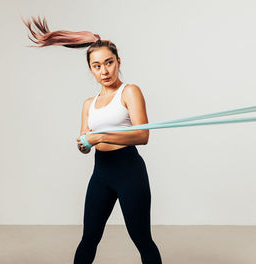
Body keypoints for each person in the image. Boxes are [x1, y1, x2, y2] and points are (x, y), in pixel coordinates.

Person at [22, 15, 163, 264]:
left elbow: (143, 135)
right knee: (89, 238)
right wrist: (83, 144)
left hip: (129, 171)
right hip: (101, 173)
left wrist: (100, 136)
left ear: (118, 62)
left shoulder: (129, 91)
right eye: (97, 66)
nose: (104, 70)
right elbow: (85, 146)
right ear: (91, 69)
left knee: (142, 239)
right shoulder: (89, 104)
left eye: (109, 63)